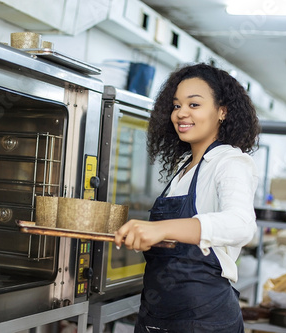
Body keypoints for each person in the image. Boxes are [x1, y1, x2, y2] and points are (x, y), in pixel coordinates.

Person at [114, 63, 260, 333]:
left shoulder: (230, 162)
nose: (181, 113)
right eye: (176, 105)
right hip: (157, 313)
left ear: (222, 111)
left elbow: (241, 224)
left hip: (203, 318)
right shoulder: (184, 168)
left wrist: (162, 228)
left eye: (194, 105)